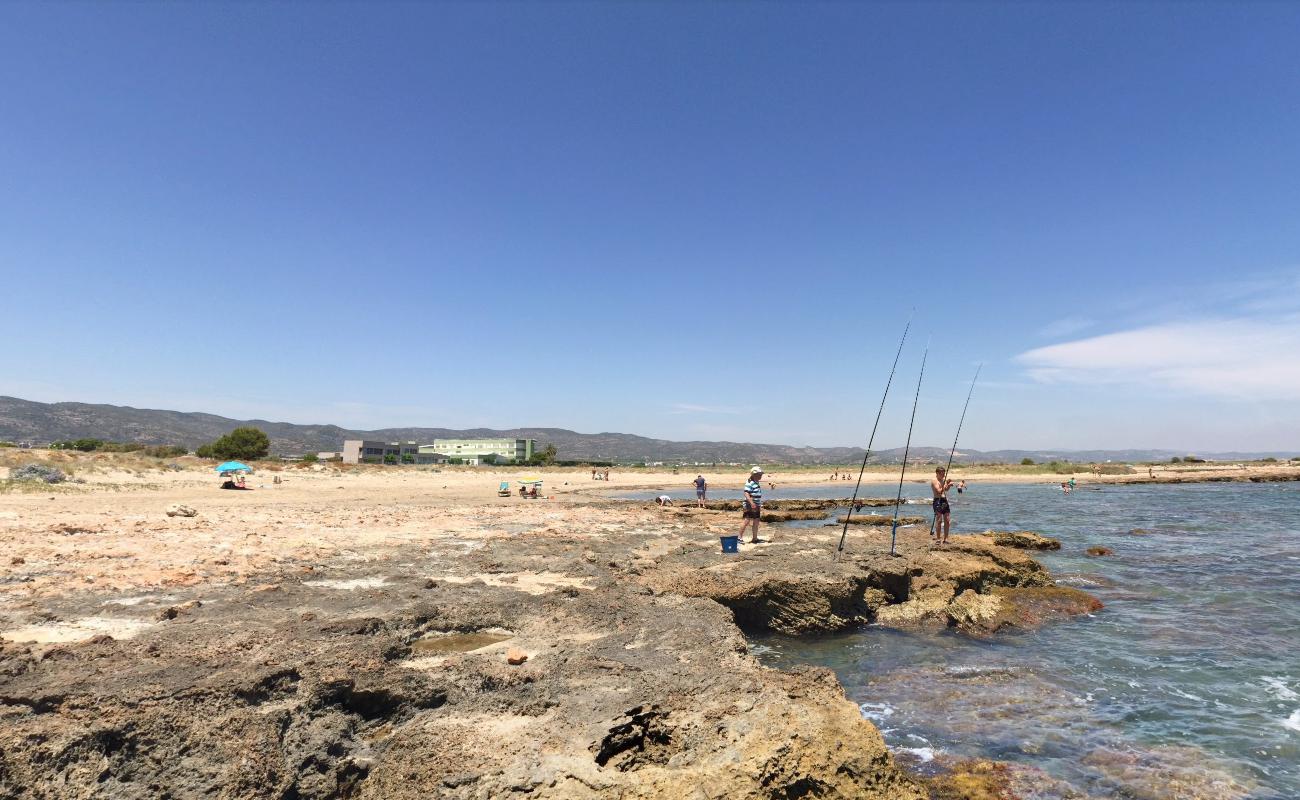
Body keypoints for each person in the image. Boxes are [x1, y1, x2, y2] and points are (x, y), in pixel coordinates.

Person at [738, 467, 764, 544]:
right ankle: (739, 538)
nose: (761, 476)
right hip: (750, 505)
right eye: (759, 474)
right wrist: (751, 503)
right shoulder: (749, 482)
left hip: (756, 505)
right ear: (754, 474)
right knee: (746, 521)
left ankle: (755, 538)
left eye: (761, 474)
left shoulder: (756, 482)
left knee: (756, 521)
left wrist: (758, 504)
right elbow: (746, 493)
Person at [931, 467, 954, 545]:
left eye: (944, 473)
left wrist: (949, 485)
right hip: (937, 501)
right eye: (941, 473)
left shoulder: (943, 480)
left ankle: (946, 539)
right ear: (937, 473)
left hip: (944, 501)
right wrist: (946, 484)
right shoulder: (934, 481)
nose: (943, 475)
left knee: (947, 520)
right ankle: (938, 539)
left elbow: (945, 490)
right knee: (939, 520)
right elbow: (939, 491)